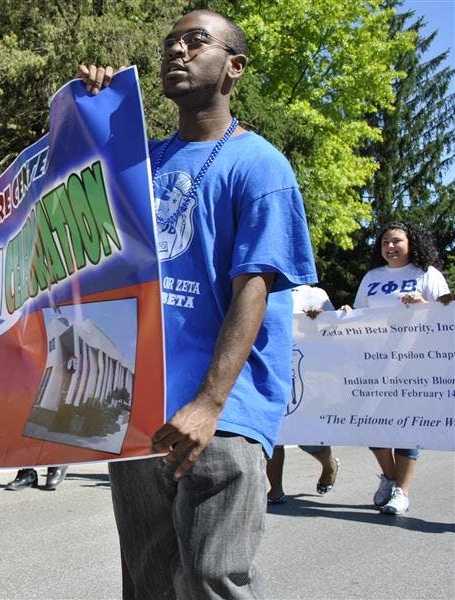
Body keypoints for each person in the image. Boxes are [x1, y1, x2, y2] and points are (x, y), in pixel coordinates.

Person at [78, 9, 317, 598]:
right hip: (137, 412)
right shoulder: (139, 164)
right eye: (170, 43)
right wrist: (93, 114)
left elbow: (254, 288)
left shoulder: (260, 167)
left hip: (221, 416)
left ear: (233, 67)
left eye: (196, 41)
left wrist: (210, 404)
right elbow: (71, 207)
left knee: (214, 578)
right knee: (150, 582)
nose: (177, 52)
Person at [348, 221, 451, 515]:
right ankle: (390, 478)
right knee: (367, 421)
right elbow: (360, 316)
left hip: (415, 362)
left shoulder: (427, 275)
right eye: (385, 243)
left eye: (396, 241)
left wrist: (424, 305)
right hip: (374, 363)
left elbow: (447, 314)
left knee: (408, 424)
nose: (390, 247)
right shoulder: (371, 277)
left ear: (411, 244)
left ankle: (402, 492)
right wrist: (344, 314)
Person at [266, 285, 339, 505]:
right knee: (274, 435)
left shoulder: (315, 295)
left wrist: (321, 320)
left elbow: (334, 333)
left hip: (304, 375)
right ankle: (275, 490)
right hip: (271, 368)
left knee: (306, 436)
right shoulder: (266, 289)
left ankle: (329, 466)